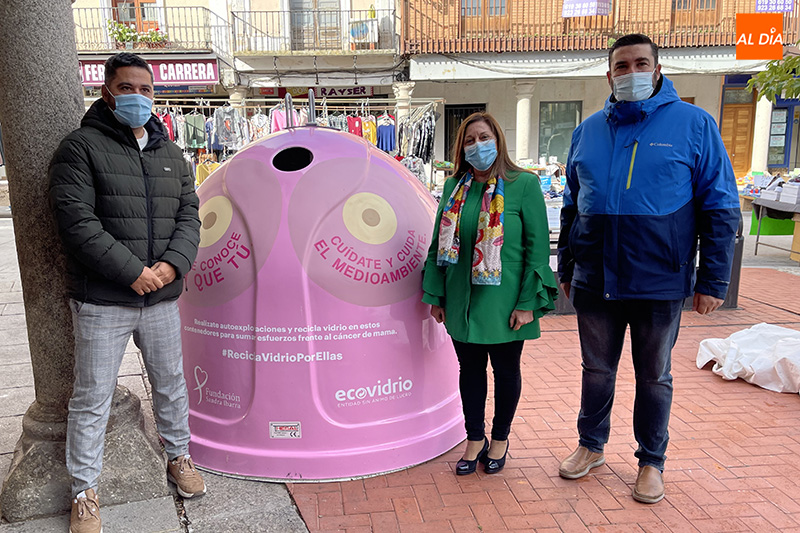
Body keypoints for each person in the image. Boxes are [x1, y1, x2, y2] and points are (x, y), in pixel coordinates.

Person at [557, 34, 740, 503]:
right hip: (596, 278)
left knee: (654, 375)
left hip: (660, 279)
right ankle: (591, 445)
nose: (631, 72)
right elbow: (573, 206)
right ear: (610, 75)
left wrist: (712, 279)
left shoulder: (694, 124)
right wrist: (567, 268)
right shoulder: (589, 130)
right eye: (622, 66)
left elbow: (720, 206)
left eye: (641, 63)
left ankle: (651, 461)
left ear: (657, 70)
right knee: (595, 370)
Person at [49, 53, 205, 533]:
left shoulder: (169, 152)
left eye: (145, 89)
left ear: (155, 94)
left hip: (160, 297)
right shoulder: (80, 148)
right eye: (126, 88)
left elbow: (189, 214)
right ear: (106, 91)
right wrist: (131, 271)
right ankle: (84, 492)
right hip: (103, 299)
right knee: (92, 396)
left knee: (171, 383)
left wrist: (171, 265)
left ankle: (179, 457)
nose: (137, 97)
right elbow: (77, 222)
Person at [422, 112, 557, 476]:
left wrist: (528, 303)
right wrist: (435, 295)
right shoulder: (454, 188)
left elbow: (537, 249)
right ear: (461, 149)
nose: (477, 146)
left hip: (506, 300)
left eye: (483, 137)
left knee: (506, 371)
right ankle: (475, 437)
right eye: (469, 141)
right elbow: (439, 243)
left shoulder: (523, 185)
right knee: (470, 371)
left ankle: (500, 438)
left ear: (497, 139)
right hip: (460, 298)